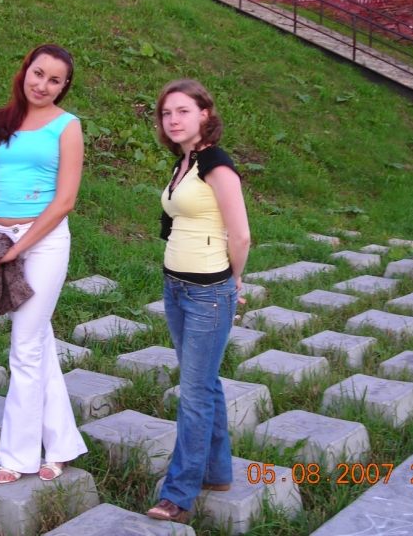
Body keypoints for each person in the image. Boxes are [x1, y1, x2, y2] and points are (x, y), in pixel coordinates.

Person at [0, 44, 87, 483]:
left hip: (44, 242)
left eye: (55, 80)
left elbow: (65, 201)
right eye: (38, 73)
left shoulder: (68, 126)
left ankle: (17, 458)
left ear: (64, 87)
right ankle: (62, 446)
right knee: (38, 342)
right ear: (25, 71)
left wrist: (17, 248)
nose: (43, 85)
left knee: (25, 346)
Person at [146, 79, 250, 522]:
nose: (173, 120)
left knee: (193, 394)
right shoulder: (184, 162)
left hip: (208, 293)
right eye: (167, 113)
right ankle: (217, 472)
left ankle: (178, 494)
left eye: (183, 111)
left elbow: (240, 234)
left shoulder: (216, 164)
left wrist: (234, 280)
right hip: (176, 287)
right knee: (203, 385)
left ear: (205, 114)